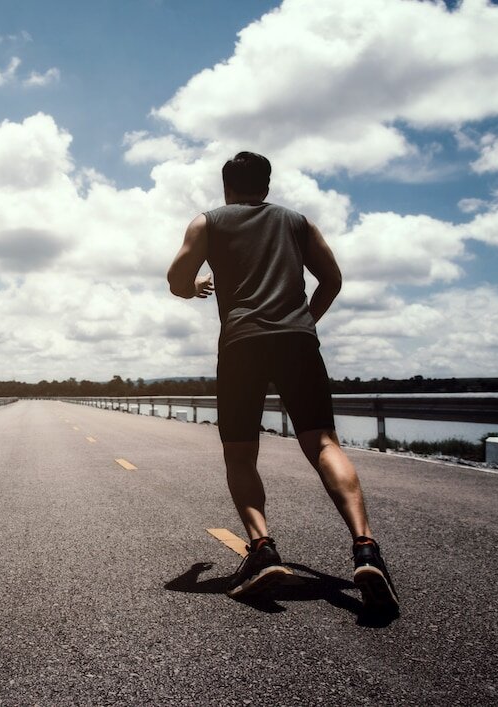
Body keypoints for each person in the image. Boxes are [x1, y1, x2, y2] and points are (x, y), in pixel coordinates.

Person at [167, 151, 398, 614]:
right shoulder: (298, 222)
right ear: (267, 187)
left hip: (241, 343)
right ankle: (366, 547)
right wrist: (304, 322)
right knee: (324, 444)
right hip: (297, 341)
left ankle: (262, 548)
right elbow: (331, 279)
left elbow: (176, 279)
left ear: (227, 186)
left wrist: (196, 289)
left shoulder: (208, 221)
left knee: (240, 451)